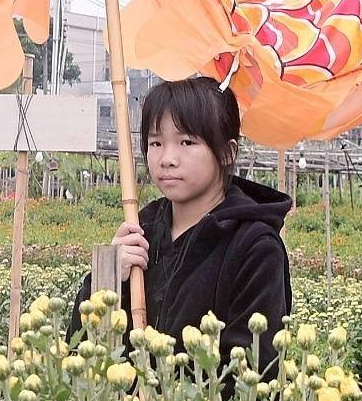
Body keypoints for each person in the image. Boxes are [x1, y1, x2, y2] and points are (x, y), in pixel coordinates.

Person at [72, 76, 293, 371]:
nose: (167, 159)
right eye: (156, 142)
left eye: (187, 142)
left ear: (227, 152)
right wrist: (107, 277)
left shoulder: (256, 247)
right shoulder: (141, 233)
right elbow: (81, 350)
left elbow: (254, 369)